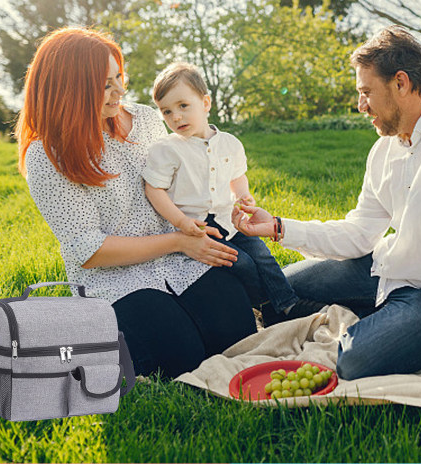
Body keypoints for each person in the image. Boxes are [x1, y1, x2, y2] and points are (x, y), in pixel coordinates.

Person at [232, 26, 421, 408]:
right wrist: (277, 227)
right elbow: (360, 232)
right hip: (387, 270)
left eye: (366, 92)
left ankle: (399, 325)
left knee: (355, 360)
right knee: (278, 290)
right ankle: (384, 316)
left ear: (401, 83)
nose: (360, 105)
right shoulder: (386, 148)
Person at [16, 27, 257, 378]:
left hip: (182, 258)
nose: (121, 91)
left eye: (119, 77)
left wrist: (226, 202)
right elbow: (89, 249)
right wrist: (178, 241)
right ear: (72, 90)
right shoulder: (47, 155)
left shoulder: (145, 119)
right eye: (106, 85)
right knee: (181, 356)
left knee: (236, 334)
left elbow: (181, 178)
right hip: (115, 279)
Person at [142, 62, 323, 321]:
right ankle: (263, 306)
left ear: (205, 103)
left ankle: (287, 305)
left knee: (263, 256)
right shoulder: (167, 149)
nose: (176, 117)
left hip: (230, 221)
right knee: (242, 263)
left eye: (183, 106)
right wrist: (181, 222)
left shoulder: (230, 143)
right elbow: (154, 189)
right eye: (167, 111)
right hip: (197, 228)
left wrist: (243, 196)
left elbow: (238, 176)